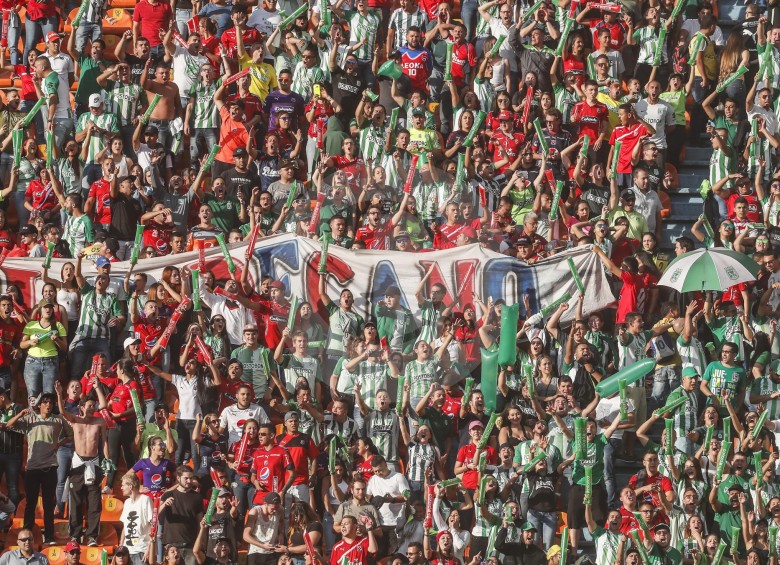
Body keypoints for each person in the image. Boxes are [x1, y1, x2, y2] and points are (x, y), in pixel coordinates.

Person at [6, 393, 73, 546]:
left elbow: (71, 434)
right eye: (45, 402)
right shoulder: (30, 418)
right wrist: (21, 413)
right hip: (32, 468)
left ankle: (49, 538)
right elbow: (9, 425)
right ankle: (27, 536)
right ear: (40, 404)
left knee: (49, 504)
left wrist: (60, 443)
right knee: (31, 504)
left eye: (51, 402)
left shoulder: (58, 420)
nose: (48, 405)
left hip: (50, 467)